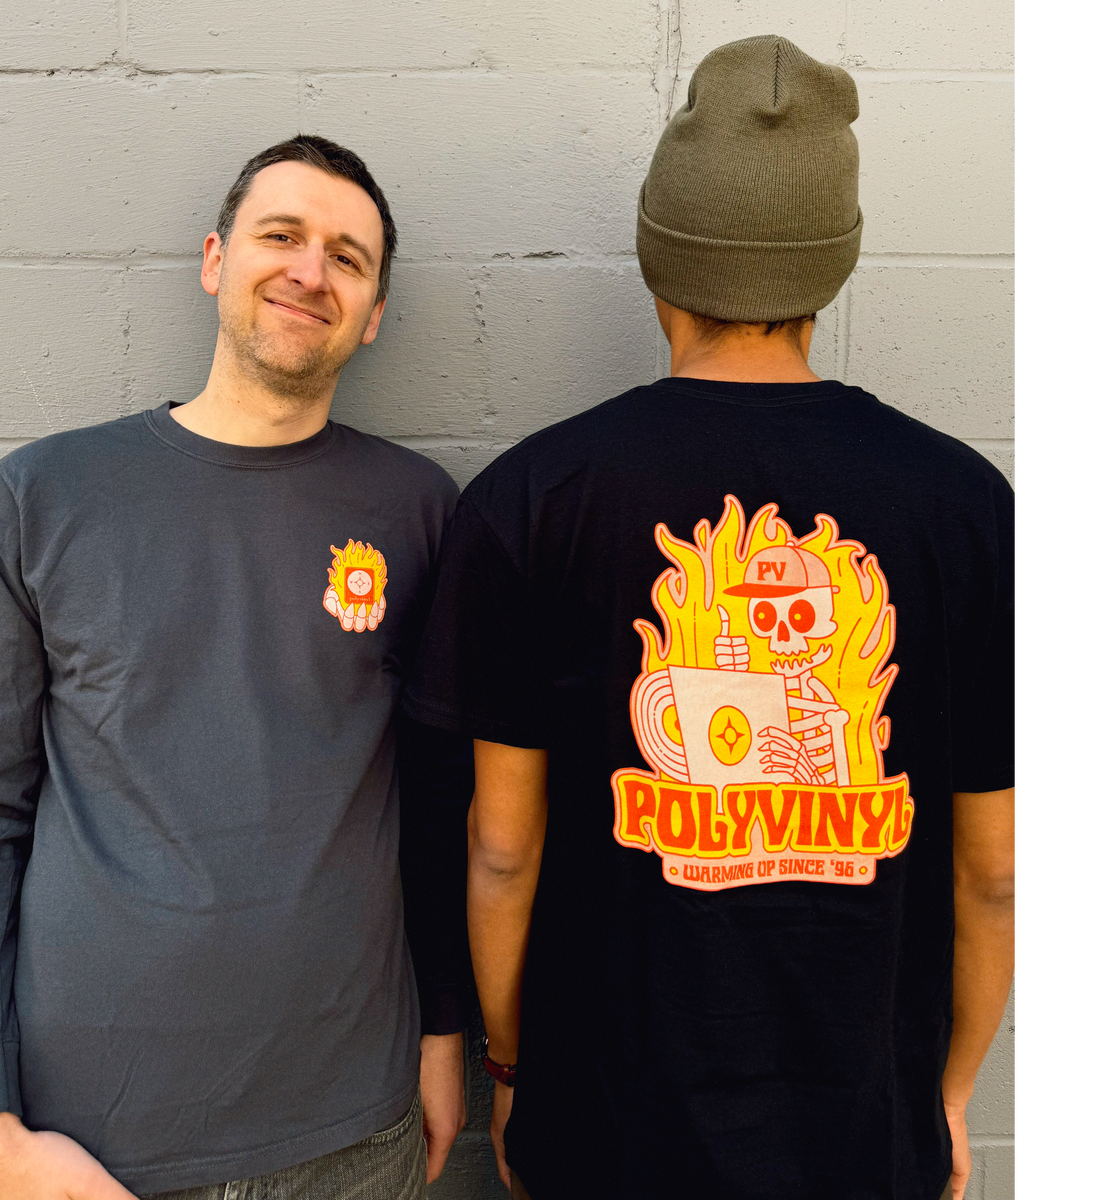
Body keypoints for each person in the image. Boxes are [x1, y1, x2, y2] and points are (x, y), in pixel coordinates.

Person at [404, 36, 1016, 1200]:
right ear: (829, 271)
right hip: (862, 1137)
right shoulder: (971, 510)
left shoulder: (533, 500)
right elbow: (994, 875)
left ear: (660, 267)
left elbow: (501, 846)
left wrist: (513, 1067)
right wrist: (944, 1097)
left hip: (606, 1133)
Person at [0, 134, 472, 1199]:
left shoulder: (419, 511)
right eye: (281, 235)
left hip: (352, 1132)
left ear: (374, 313)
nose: (310, 272)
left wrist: (443, 1033)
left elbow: (440, 803)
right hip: (93, 1143)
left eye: (348, 258)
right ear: (215, 260)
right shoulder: (44, 496)